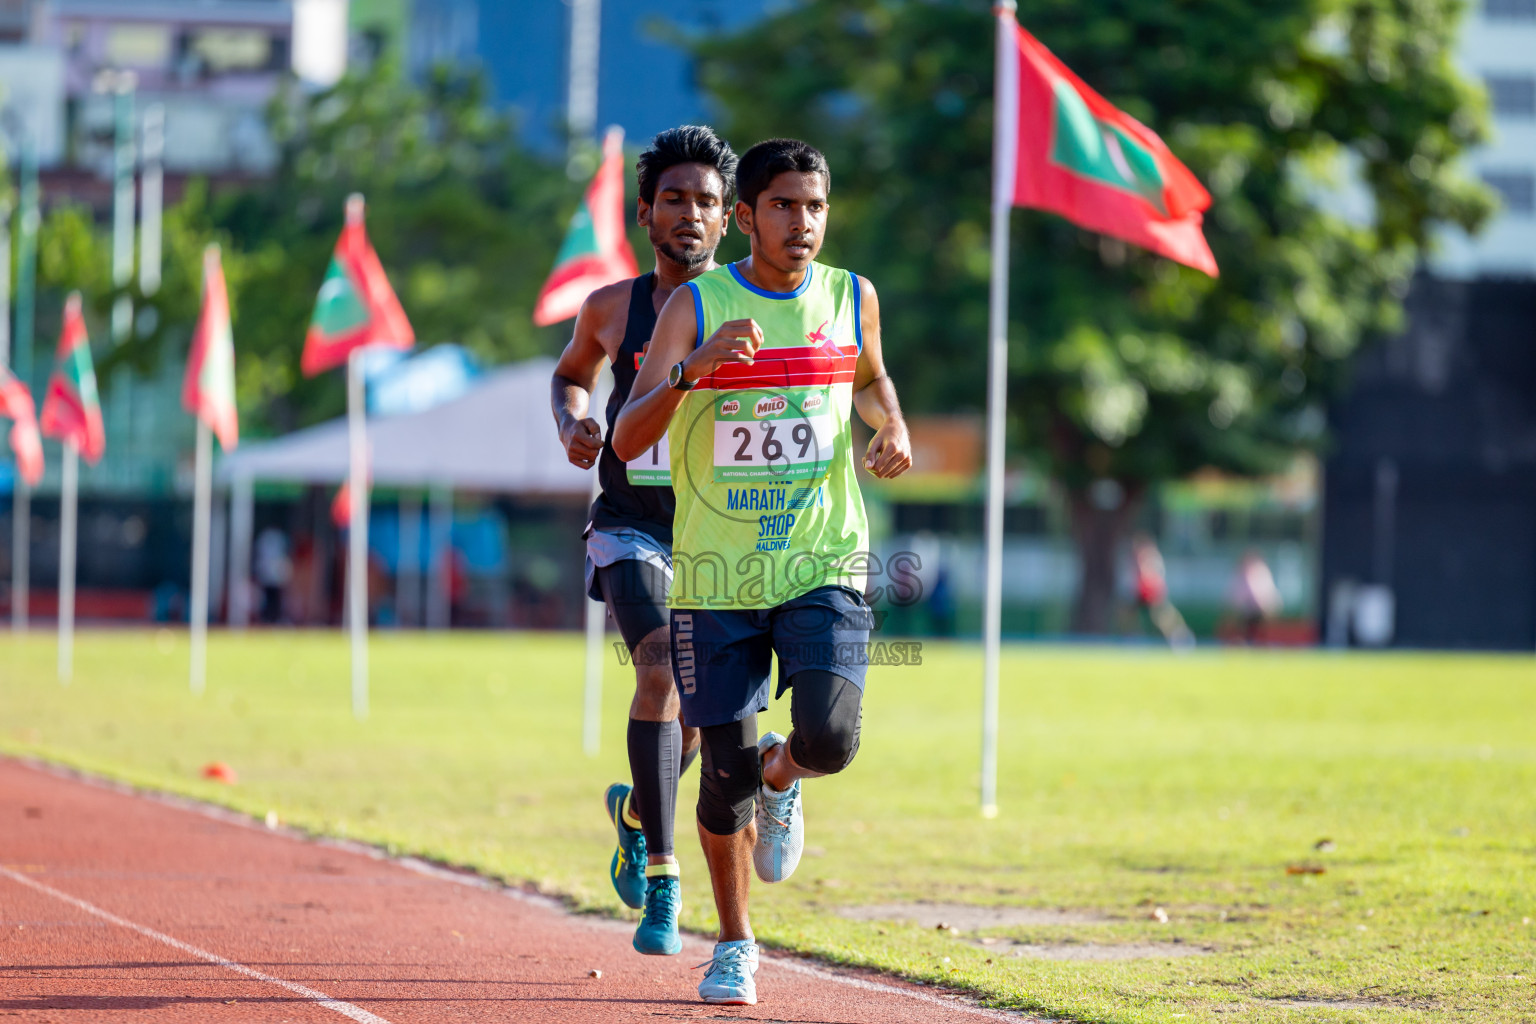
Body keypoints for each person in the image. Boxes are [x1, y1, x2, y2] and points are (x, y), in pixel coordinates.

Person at [613, 138, 912, 1006]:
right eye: (783, 206)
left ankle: (790, 777)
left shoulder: (852, 296)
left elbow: (874, 379)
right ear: (745, 216)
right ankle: (736, 944)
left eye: (814, 207)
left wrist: (888, 425)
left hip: (822, 557)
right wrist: (688, 373)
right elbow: (631, 443)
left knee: (830, 739)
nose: (802, 223)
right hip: (715, 574)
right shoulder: (698, 305)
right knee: (723, 777)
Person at [550, 125, 738, 959]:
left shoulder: (748, 307)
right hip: (629, 524)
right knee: (659, 667)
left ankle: (634, 813)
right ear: (645, 213)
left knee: (698, 706)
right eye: (674, 199)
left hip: (719, 533)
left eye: (705, 201)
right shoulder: (611, 308)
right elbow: (570, 374)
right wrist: (576, 419)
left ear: (728, 219)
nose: (689, 214)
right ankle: (664, 882)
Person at [1132, 533, 1193, 648]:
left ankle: (1180, 638)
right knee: (1131, 616)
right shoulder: (1140, 558)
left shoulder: (1150, 557)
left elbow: (1153, 576)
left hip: (1153, 594)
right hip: (1142, 595)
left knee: (1164, 619)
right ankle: (1135, 638)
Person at [1229, 549, 1281, 644]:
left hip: (1261, 608)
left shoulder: (1258, 572)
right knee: (1250, 630)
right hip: (1253, 609)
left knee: (1257, 631)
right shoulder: (1249, 573)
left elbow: (1262, 592)